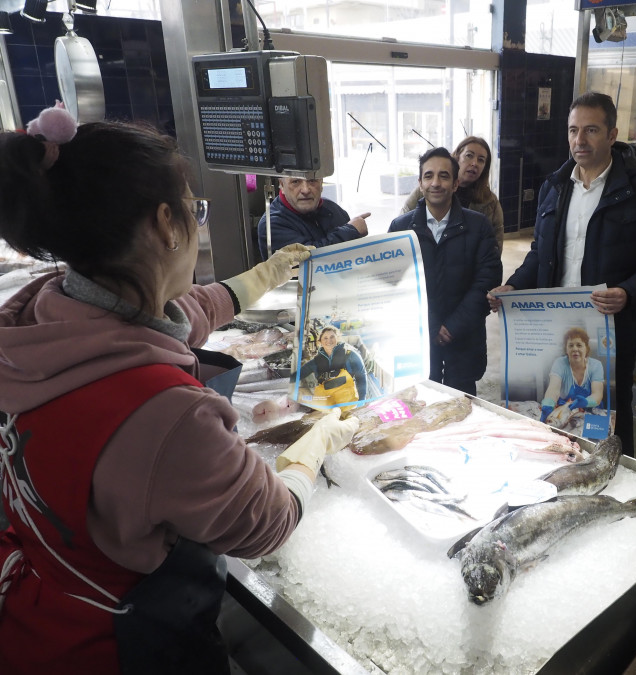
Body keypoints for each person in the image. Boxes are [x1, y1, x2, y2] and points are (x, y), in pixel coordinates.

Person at [0, 107, 359, 674]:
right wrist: (315, 447)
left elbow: (189, 310)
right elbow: (267, 523)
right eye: (196, 209)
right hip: (120, 649)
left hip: (34, 614)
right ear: (167, 223)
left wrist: (269, 271)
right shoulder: (167, 413)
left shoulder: (42, 317)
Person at [487, 91, 636, 456]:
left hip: (611, 329)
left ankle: (616, 482)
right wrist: (513, 286)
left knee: (609, 421)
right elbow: (540, 255)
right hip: (553, 328)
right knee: (553, 416)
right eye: (573, 130)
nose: (580, 140)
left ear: (612, 134)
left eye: (591, 130)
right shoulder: (555, 187)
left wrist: (627, 292)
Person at [388, 147, 502, 395]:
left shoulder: (478, 226)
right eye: (428, 176)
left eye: (444, 176)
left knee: (460, 408)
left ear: (456, 183)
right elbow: (393, 286)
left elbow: (487, 279)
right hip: (417, 341)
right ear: (420, 183)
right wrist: (431, 326)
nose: (436, 183)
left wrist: (452, 326)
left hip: (464, 339)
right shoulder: (400, 229)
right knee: (417, 405)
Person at [400, 136, 504, 253]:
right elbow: (401, 231)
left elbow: (495, 248)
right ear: (457, 157)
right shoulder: (425, 191)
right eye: (469, 155)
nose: (474, 163)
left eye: (481, 160)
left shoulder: (490, 202)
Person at [256, 175, 370, 260]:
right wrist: (351, 231)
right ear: (282, 185)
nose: (305, 190)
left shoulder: (332, 209)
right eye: (295, 182)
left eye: (312, 180)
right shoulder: (272, 224)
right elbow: (310, 259)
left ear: (321, 183)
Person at [540, 327, 605, 423]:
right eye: (570, 345)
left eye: (579, 345)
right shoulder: (560, 363)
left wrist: (586, 402)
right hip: (564, 411)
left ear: (586, 348)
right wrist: (548, 404)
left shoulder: (596, 365)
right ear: (566, 349)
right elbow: (553, 389)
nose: (575, 349)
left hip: (591, 411)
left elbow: (598, 394)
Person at [298, 325, 368, 407]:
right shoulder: (315, 361)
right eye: (325, 338)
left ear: (337, 338)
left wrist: (361, 401)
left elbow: (362, 377)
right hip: (326, 404)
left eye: (332, 337)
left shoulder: (351, 355)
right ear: (320, 341)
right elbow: (298, 375)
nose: (329, 341)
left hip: (348, 402)